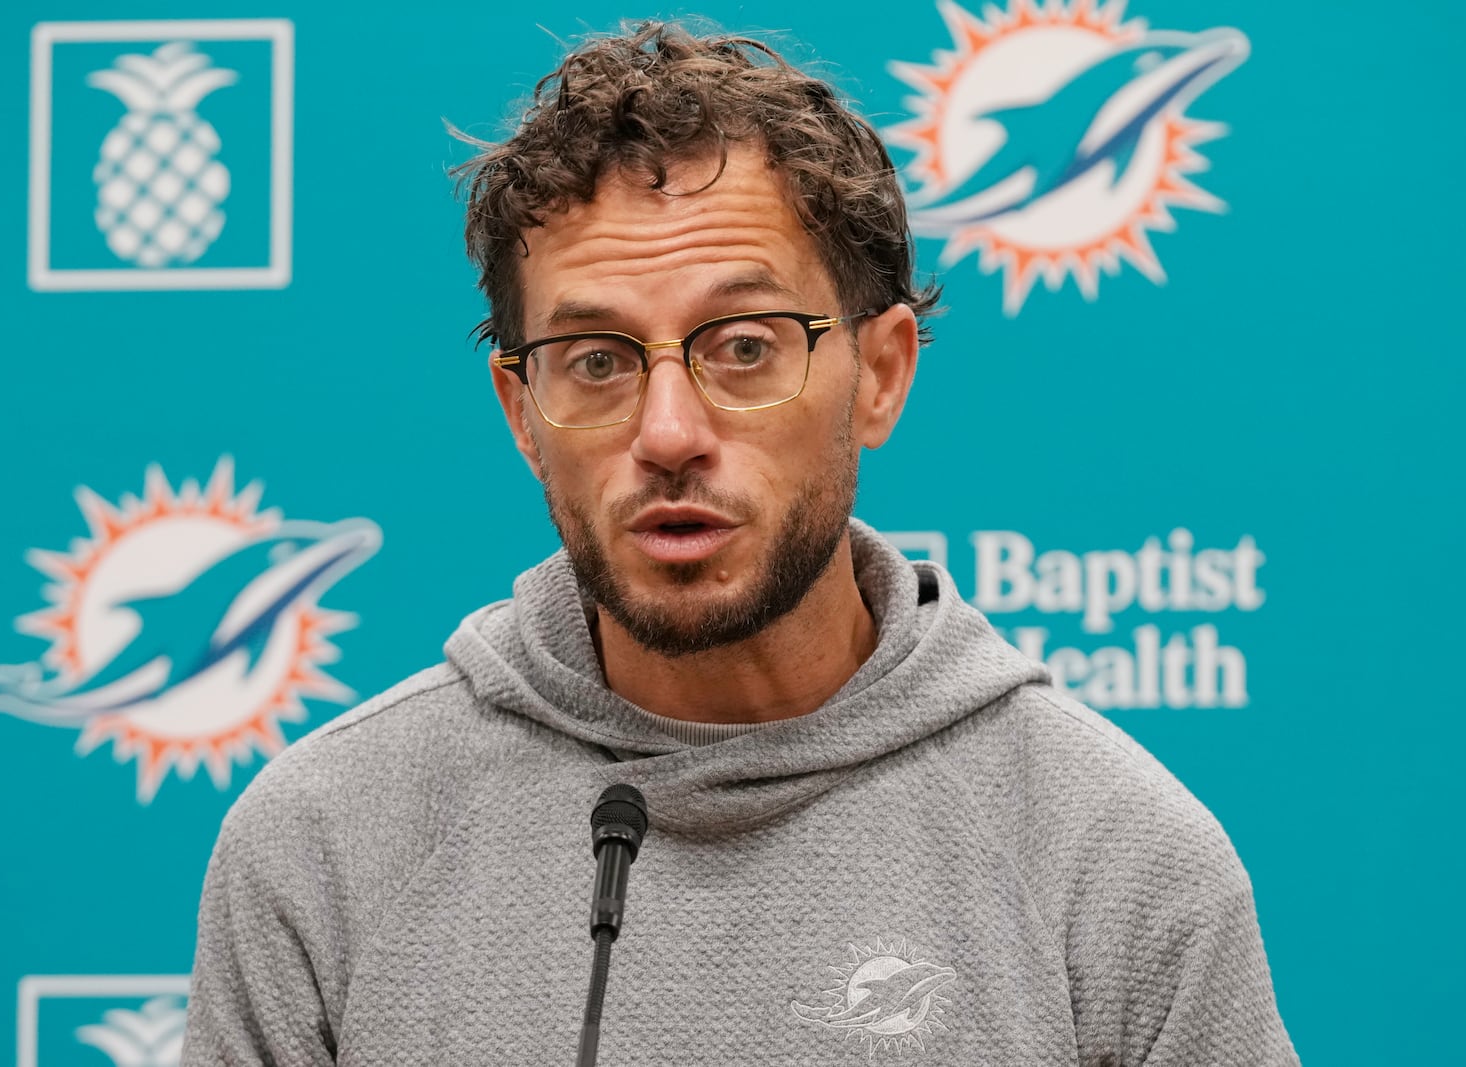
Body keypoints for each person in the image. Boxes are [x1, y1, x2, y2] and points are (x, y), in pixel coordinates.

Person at [181, 21, 1298, 1065]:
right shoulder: (320, 844)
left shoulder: (1118, 859)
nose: (667, 432)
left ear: (883, 372)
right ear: (522, 414)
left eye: (746, 345)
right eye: (597, 359)